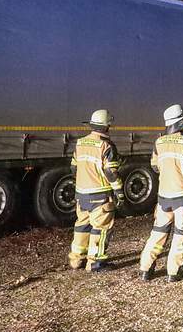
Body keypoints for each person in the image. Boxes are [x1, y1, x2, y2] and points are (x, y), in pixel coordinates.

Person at [138, 104, 183, 282]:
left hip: (164, 197)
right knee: (181, 233)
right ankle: (174, 271)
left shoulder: (159, 142)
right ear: (181, 121)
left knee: (158, 231)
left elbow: (154, 166)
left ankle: (145, 268)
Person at [68, 109, 124, 272]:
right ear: (107, 126)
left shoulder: (80, 143)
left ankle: (76, 259)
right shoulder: (106, 145)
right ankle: (95, 262)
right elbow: (110, 172)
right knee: (101, 228)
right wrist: (119, 191)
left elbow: (74, 168)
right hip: (100, 195)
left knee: (82, 226)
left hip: (81, 194)